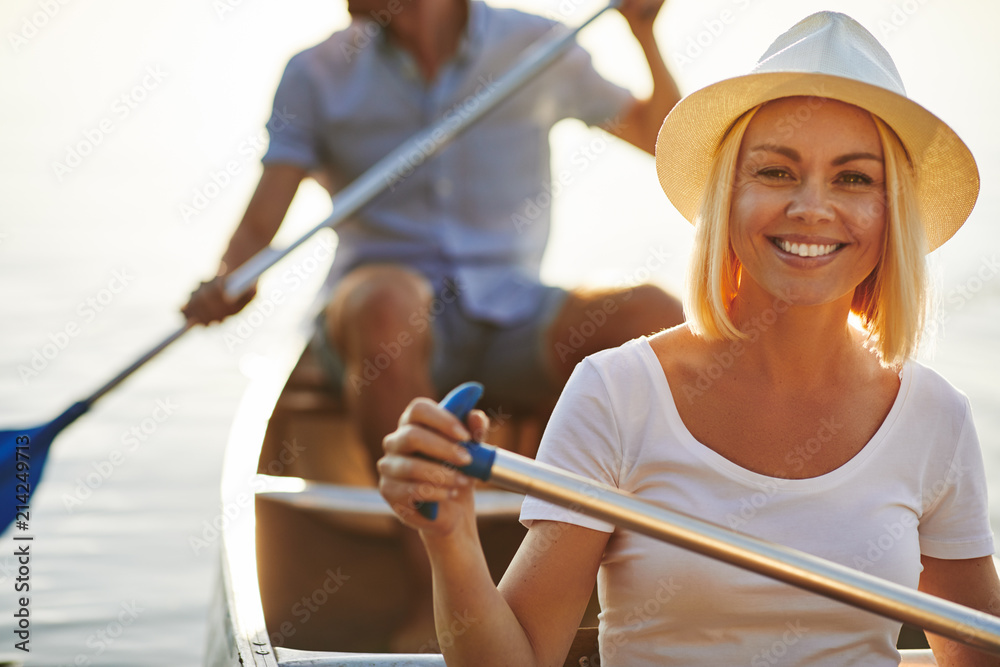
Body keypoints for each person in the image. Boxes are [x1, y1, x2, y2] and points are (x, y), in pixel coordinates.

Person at [379, 11, 1000, 666]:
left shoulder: (936, 416)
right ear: (726, 195)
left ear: (890, 213)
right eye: (776, 171)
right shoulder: (616, 393)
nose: (812, 207)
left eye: (853, 178)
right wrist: (450, 535)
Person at [181, 0, 684, 467]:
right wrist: (230, 279)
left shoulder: (536, 46)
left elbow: (667, 145)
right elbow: (259, 224)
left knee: (654, 314)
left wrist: (643, 33)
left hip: (512, 313)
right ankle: (426, 545)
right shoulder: (316, 72)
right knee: (388, 303)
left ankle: (611, 541)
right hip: (376, 326)